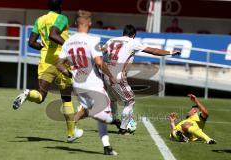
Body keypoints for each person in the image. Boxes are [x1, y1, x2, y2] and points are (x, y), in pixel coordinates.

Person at [12, 0, 83, 142]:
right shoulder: (62, 18)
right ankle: (70, 134)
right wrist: (68, 45)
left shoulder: (40, 19)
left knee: (40, 96)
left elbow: (31, 42)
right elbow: (53, 34)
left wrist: (43, 48)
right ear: (60, 7)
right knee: (66, 98)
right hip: (61, 61)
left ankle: (28, 93)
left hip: (45, 61)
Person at [56, 10, 118, 156]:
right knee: (107, 116)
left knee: (97, 115)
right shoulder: (93, 40)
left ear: (77, 23)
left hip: (78, 84)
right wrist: (111, 75)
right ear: (89, 24)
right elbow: (98, 62)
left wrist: (69, 73)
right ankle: (116, 123)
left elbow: (58, 63)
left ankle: (107, 147)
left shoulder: (68, 41)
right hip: (93, 84)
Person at [103, 24, 181, 134]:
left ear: (123, 33)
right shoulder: (132, 42)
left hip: (106, 74)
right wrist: (169, 52)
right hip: (117, 76)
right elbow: (153, 51)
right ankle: (123, 128)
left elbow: (100, 53)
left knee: (113, 98)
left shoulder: (111, 40)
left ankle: (114, 119)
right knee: (130, 101)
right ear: (133, 35)